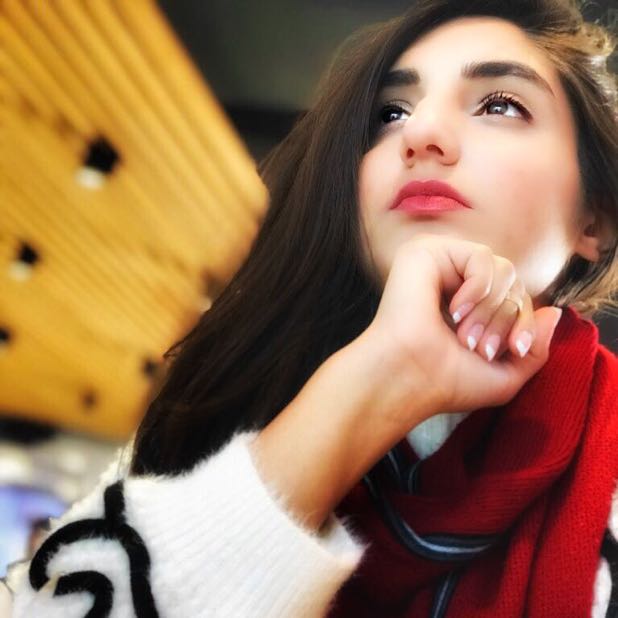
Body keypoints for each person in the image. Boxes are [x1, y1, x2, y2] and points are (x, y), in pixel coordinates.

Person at [5, 0, 617, 616]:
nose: (419, 134)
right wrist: (373, 382)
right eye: (390, 114)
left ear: (594, 218)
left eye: (500, 105)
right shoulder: (215, 418)